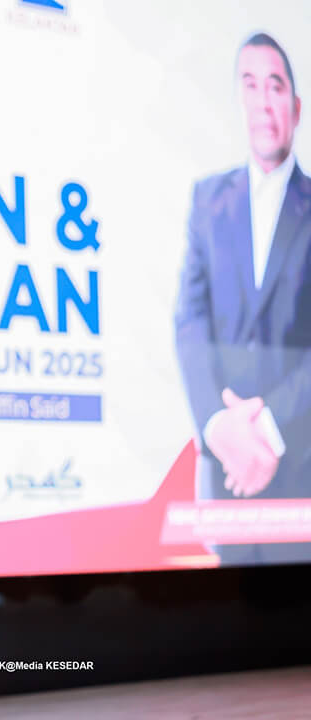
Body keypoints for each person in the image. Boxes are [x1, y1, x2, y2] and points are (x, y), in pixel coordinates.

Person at [175, 32, 311, 565]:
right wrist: (218, 424)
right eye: (250, 85)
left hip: (299, 473)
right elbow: (190, 323)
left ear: (295, 107)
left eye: (274, 86)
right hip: (224, 478)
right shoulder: (207, 200)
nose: (262, 101)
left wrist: (270, 428)